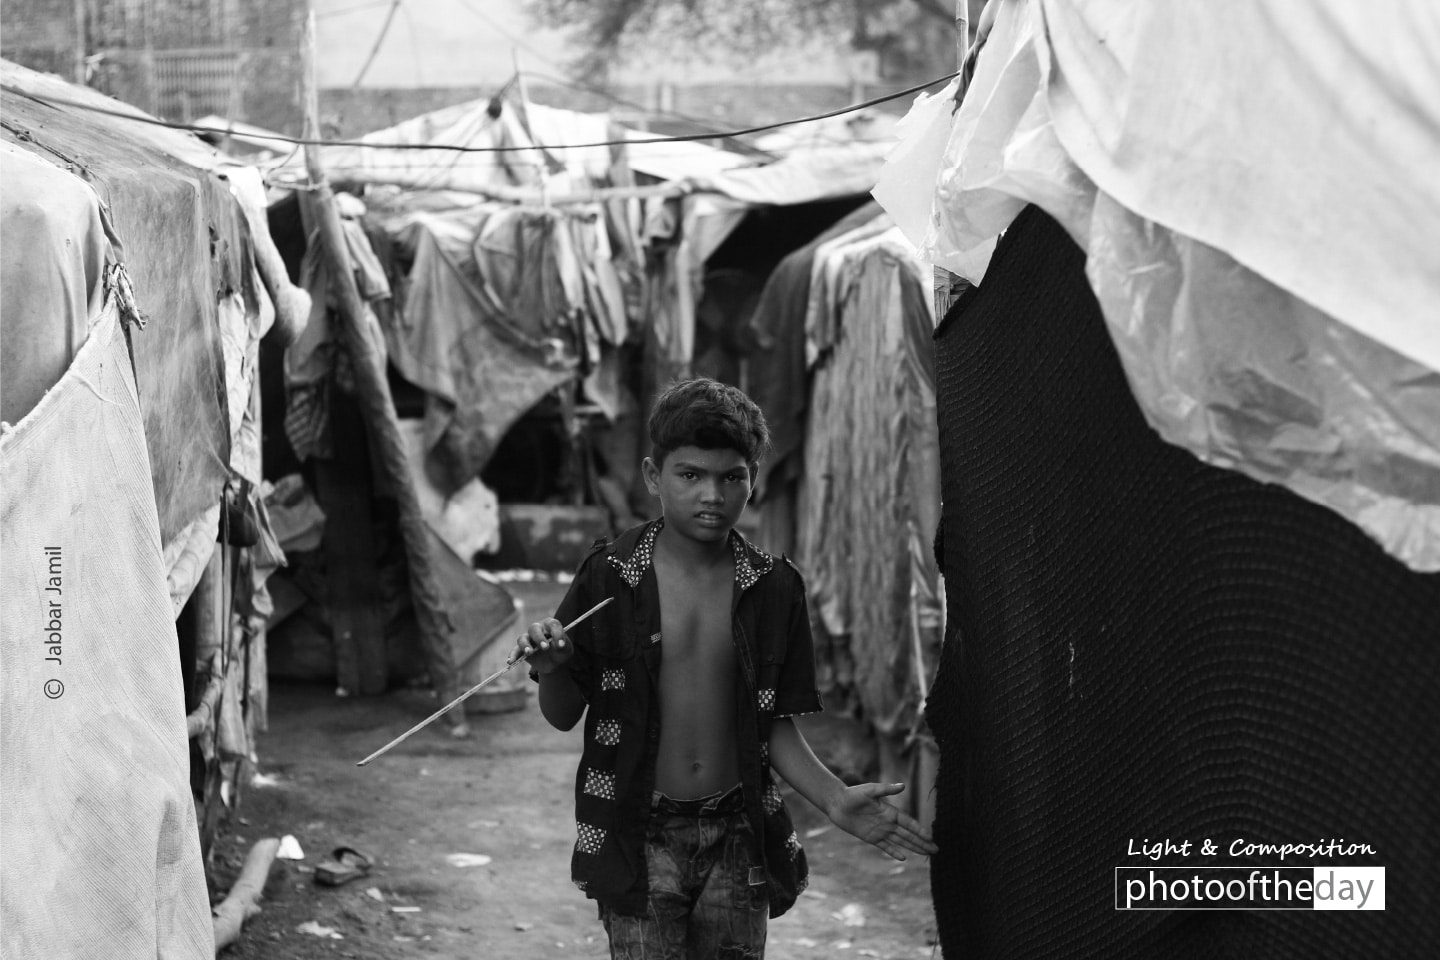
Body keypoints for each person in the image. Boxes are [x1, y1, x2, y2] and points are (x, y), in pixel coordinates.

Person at [515, 377, 936, 959]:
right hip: (638, 831)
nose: (711, 495)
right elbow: (562, 715)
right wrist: (555, 667)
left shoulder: (774, 587)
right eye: (690, 475)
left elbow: (774, 725)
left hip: (739, 832)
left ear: (753, 478)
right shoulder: (610, 577)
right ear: (653, 475)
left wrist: (836, 800)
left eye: (731, 477)